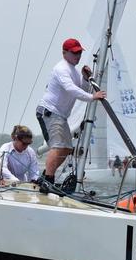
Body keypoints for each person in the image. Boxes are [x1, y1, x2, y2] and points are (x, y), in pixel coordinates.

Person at [36, 38, 106, 188]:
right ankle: (48, 181)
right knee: (58, 146)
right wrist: (93, 97)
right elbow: (71, 89)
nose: (78, 56)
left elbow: (83, 88)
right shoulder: (61, 69)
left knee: (67, 148)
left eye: (79, 52)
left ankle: (45, 176)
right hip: (49, 112)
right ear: (64, 53)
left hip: (60, 115)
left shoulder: (73, 71)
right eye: (74, 53)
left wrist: (86, 78)